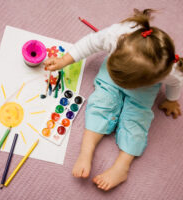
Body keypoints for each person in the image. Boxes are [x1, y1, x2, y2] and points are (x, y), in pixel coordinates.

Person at [44, 9, 183, 191]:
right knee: (100, 103)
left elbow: (176, 83)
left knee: (138, 120)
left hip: (144, 89)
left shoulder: (168, 68)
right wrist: (65, 60)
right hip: (112, 74)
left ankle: (122, 166)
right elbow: (90, 43)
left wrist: (172, 100)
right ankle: (87, 150)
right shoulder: (116, 35)